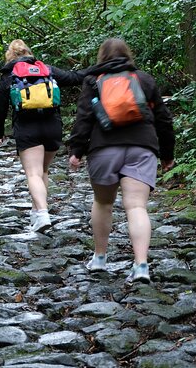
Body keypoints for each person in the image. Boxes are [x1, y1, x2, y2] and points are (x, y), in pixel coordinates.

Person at [67, 38, 175, 283]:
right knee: (136, 206)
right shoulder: (144, 79)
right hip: (142, 147)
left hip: (104, 149)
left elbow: (84, 118)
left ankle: (100, 258)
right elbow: (163, 119)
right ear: (128, 55)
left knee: (103, 203)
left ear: (101, 57)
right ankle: (141, 266)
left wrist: (76, 150)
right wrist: (167, 153)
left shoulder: (93, 81)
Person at [0, 39, 85, 233]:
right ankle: (36, 213)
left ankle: (42, 213)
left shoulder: (10, 75)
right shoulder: (47, 69)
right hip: (52, 126)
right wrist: (101, 69)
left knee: (33, 173)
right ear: (29, 52)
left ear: (10, 56)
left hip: (27, 127)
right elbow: (74, 77)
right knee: (43, 171)